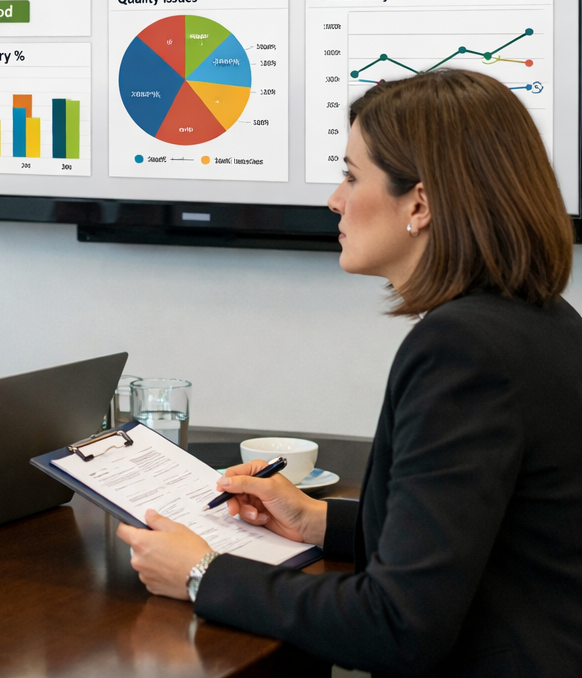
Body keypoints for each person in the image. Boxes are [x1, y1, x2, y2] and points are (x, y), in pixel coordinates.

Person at [117, 69, 582, 675]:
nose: (334, 200)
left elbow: (396, 624)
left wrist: (202, 573)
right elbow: (483, 533)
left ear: (420, 203)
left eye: (351, 176)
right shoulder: (543, 319)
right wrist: (316, 520)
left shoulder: (460, 349)